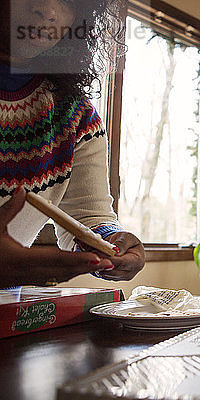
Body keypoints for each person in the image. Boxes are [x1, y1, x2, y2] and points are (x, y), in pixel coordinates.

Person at [0, 0, 145, 289]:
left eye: (68, 1)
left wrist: (108, 244)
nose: (48, 11)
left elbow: (86, 217)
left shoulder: (75, 115)